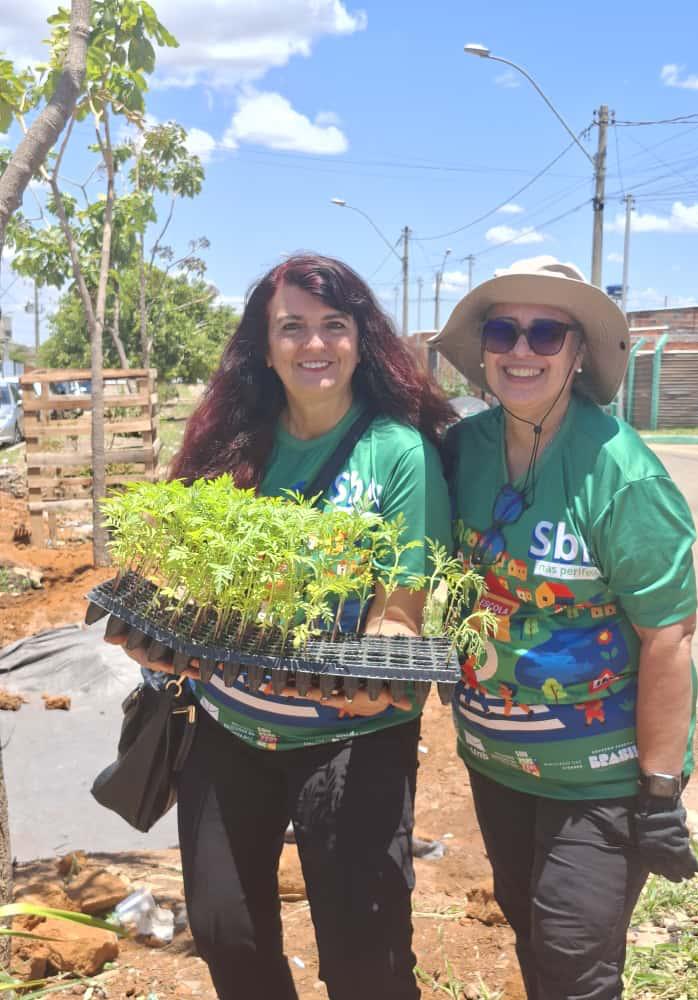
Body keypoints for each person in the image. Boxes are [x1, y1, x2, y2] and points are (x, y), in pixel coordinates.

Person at [106, 253, 455, 1000]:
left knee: (366, 961)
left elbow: (400, 617)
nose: (314, 343)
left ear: (362, 339)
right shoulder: (233, 441)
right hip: (228, 730)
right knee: (228, 932)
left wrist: (375, 678)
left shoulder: (397, 453)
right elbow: (179, 577)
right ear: (264, 347)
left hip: (349, 744)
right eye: (291, 327)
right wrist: (161, 640)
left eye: (334, 324)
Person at [431, 257, 698, 1000]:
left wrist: (658, 791)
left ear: (579, 353)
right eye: (504, 330)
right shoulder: (465, 451)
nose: (523, 350)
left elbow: (669, 638)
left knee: (575, 961)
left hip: (602, 774)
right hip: (496, 763)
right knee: (529, 929)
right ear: (484, 348)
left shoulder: (623, 476)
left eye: (546, 332)